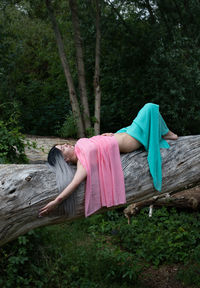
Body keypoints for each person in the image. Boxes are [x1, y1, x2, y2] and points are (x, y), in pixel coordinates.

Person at [39, 103, 178, 217]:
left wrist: (107, 136)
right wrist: (56, 202)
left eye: (62, 145)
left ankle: (164, 133)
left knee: (150, 108)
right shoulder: (82, 161)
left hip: (126, 132)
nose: (65, 145)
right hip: (133, 139)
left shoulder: (80, 147)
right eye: (63, 149)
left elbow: (100, 146)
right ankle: (166, 133)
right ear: (67, 160)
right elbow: (74, 184)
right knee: (150, 107)